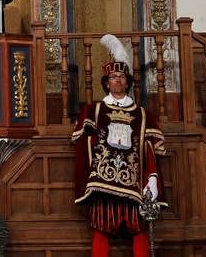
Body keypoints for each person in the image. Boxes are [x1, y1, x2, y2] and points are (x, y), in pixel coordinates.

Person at [72, 34, 166, 257]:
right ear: (106, 82)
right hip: (104, 182)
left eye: (121, 77)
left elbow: (150, 147)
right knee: (101, 230)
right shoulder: (95, 110)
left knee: (139, 229)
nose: (117, 80)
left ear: (127, 82)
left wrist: (151, 178)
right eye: (113, 77)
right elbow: (79, 138)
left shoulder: (142, 114)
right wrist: (98, 143)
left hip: (133, 182)